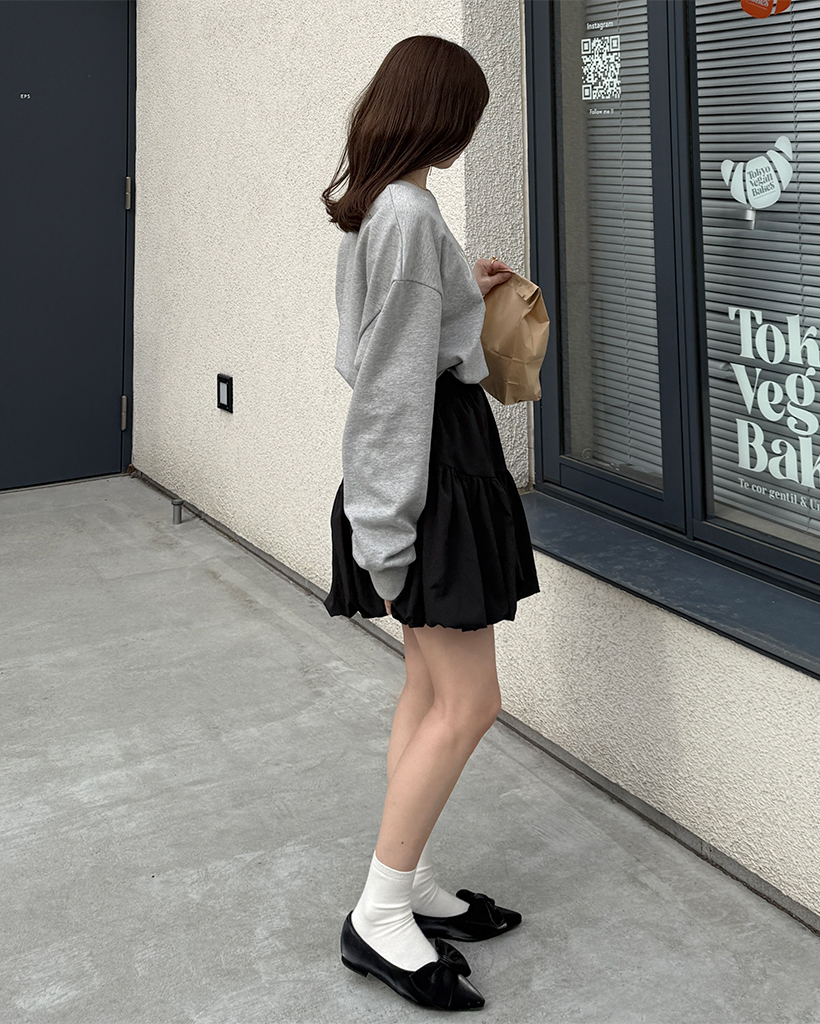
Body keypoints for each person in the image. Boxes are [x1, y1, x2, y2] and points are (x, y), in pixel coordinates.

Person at [320, 34, 540, 1011]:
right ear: (439, 116)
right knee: (471, 701)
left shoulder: (386, 206)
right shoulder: (409, 216)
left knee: (427, 687)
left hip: (423, 468)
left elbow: (373, 347)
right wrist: (387, 533)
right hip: (431, 470)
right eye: (468, 117)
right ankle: (378, 914)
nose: (470, 135)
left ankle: (404, 885)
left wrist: (462, 289)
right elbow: (387, 387)